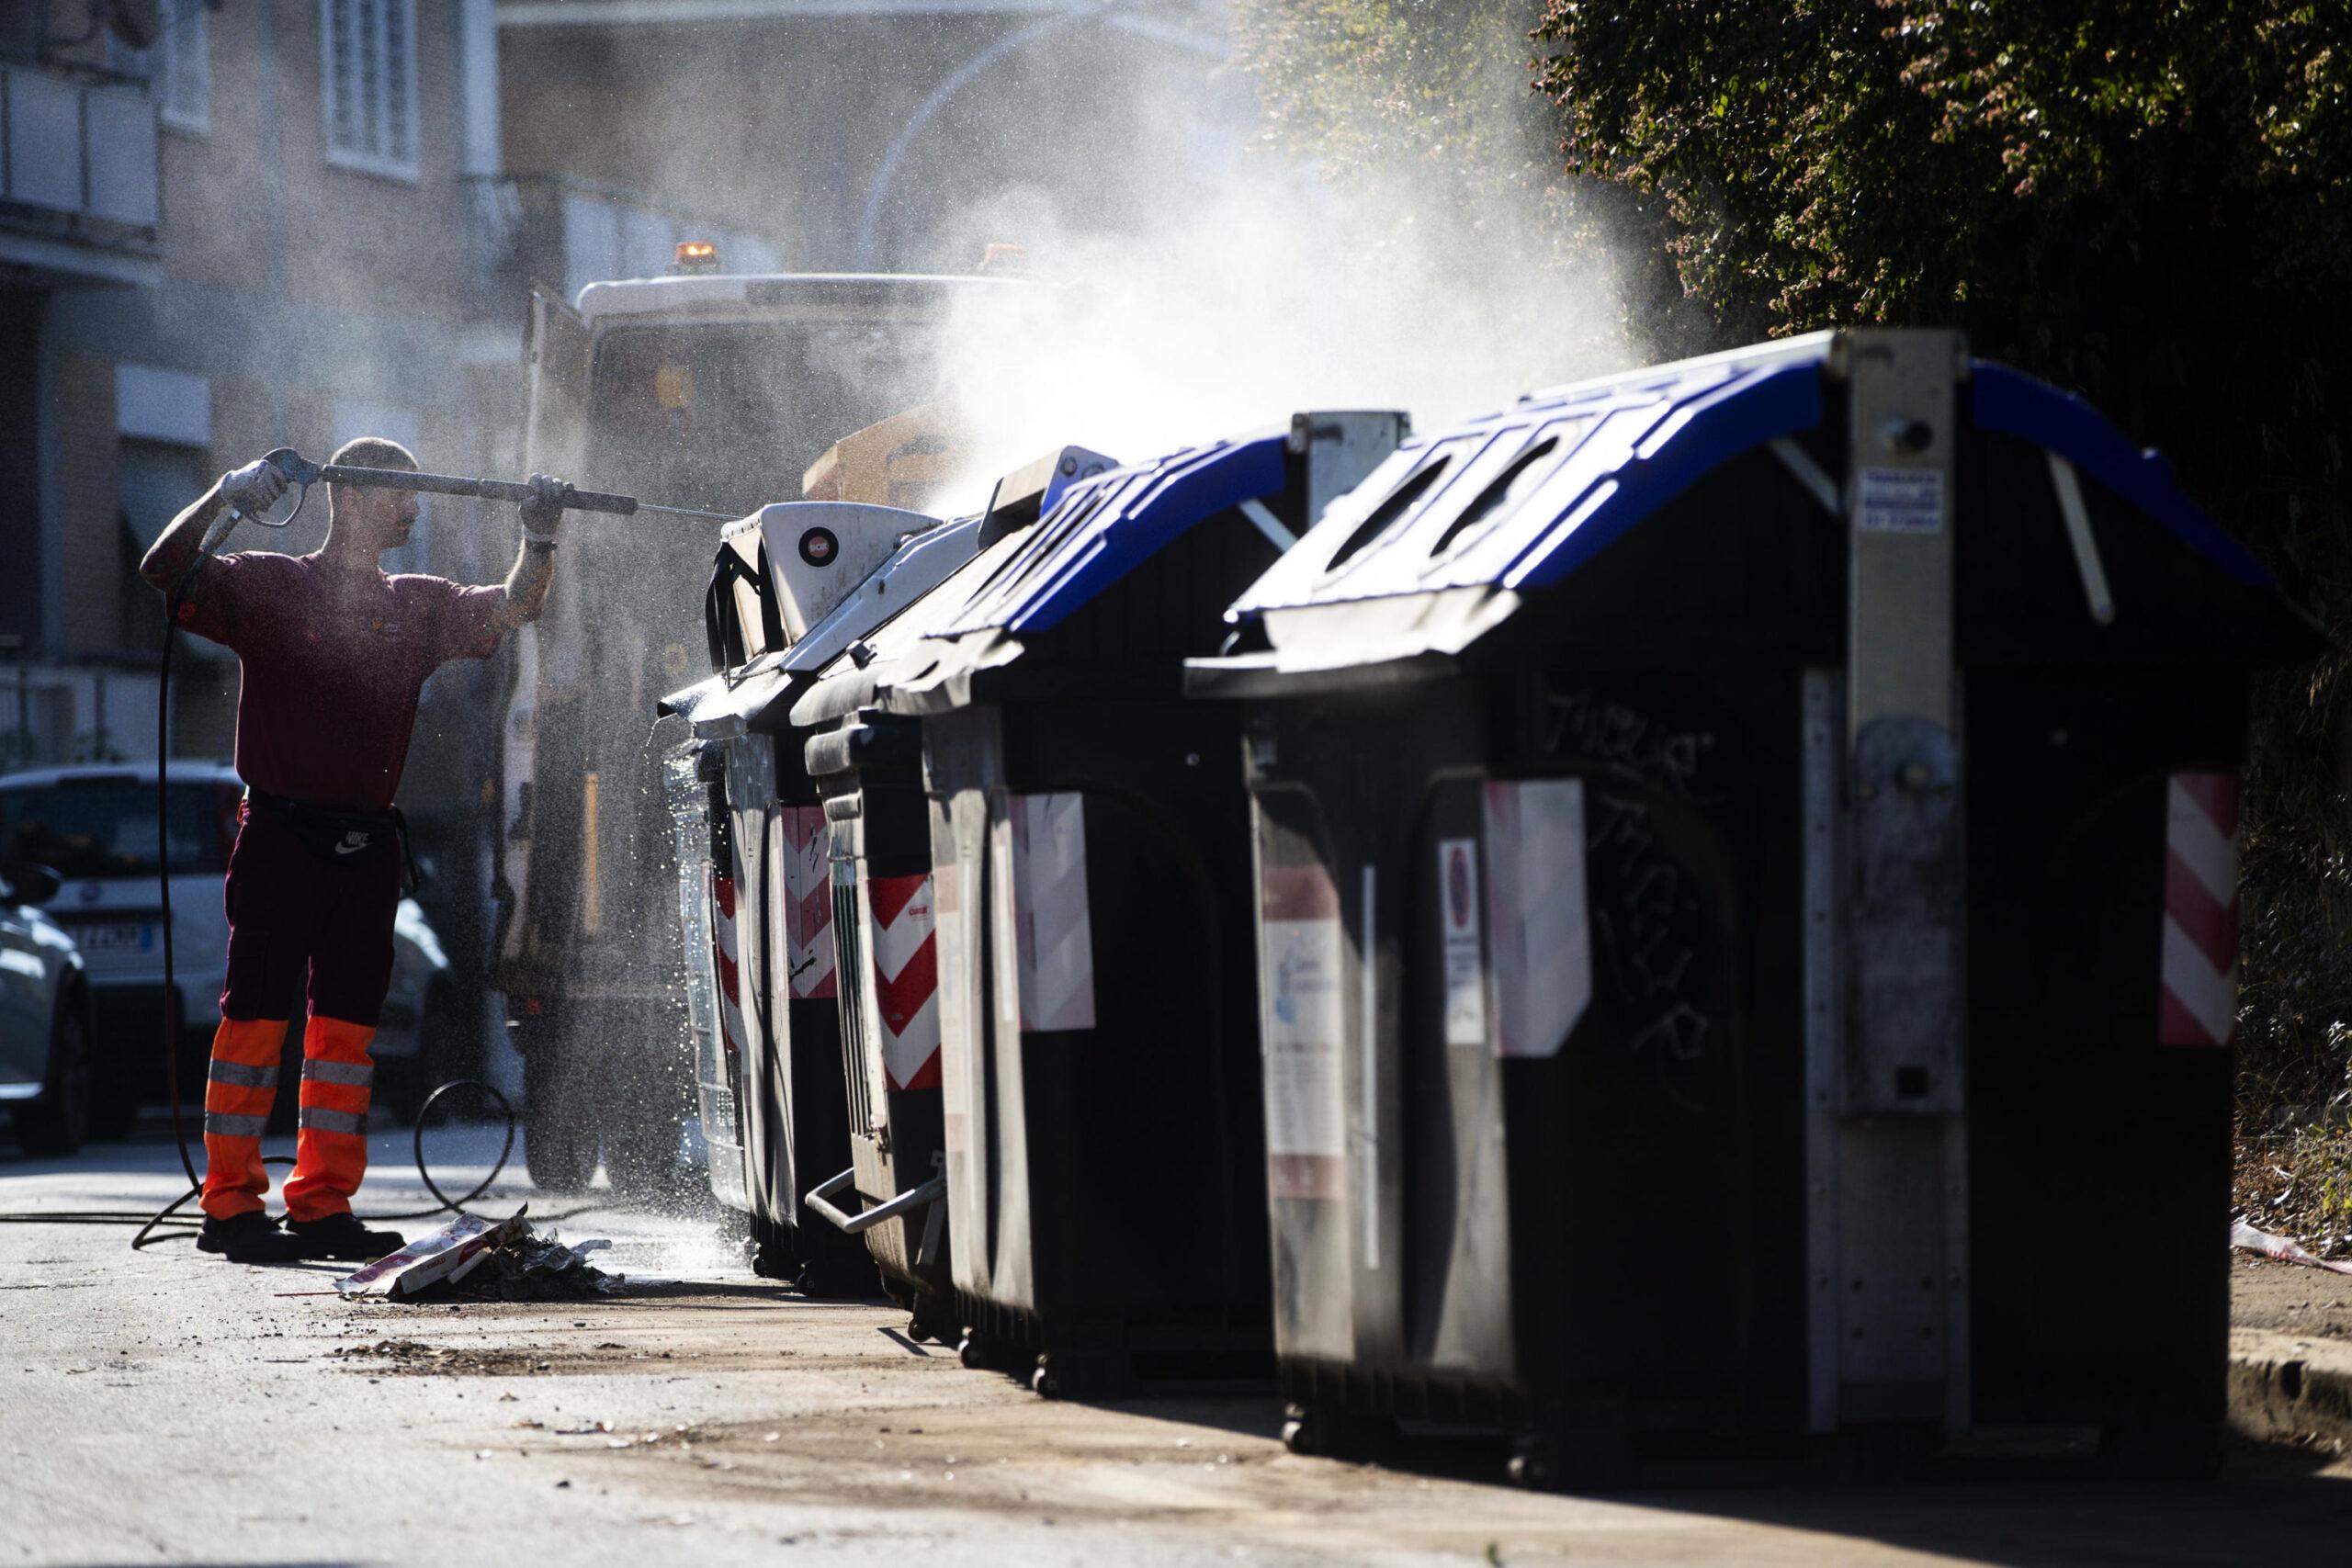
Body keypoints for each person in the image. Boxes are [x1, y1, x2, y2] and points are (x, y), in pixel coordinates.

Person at [138, 438, 570, 1265]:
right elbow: (164, 566)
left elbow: (517, 605)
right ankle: (229, 1205)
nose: (415, 510)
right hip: (279, 840)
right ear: (360, 498)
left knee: (345, 1031)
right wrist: (228, 497)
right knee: (256, 1015)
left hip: (366, 847)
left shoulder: (418, 603)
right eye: (403, 495)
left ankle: (321, 1203)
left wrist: (539, 535)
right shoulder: (273, 585)